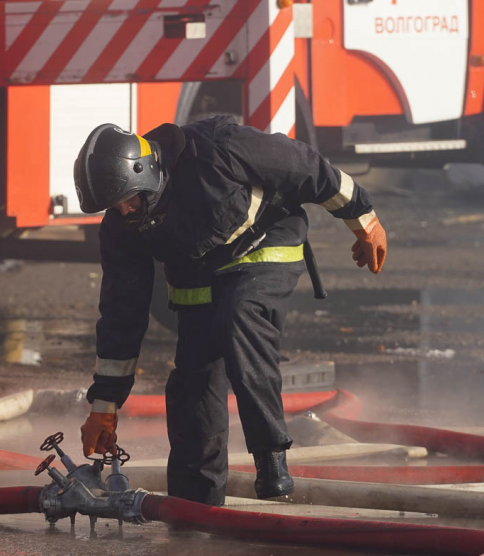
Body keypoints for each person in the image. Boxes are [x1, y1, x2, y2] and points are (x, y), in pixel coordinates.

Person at [74, 116, 387, 505]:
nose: (122, 211)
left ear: (146, 172)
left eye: (127, 200)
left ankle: (272, 461)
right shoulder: (123, 225)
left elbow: (305, 165)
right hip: (198, 275)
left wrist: (362, 217)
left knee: (239, 316)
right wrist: (105, 404)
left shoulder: (218, 148)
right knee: (194, 382)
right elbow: (122, 309)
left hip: (265, 245)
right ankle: (194, 504)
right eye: (112, 206)